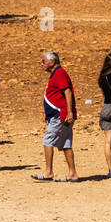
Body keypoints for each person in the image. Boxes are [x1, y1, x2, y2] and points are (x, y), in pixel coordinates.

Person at [36, 51, 79, 182]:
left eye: (44, 61)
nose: (42, 64)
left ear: (52, 62)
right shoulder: (56, 74)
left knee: (47, 141)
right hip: (59, 114)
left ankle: (48, 172)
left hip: (61, 115)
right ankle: (73, 174)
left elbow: (67, 91)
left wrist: (69, 112)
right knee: (66, 144)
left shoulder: (59, 73)